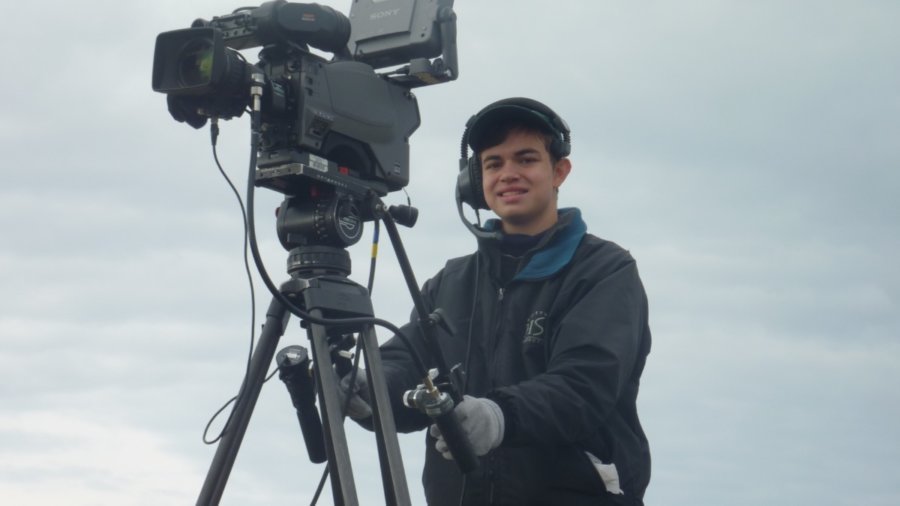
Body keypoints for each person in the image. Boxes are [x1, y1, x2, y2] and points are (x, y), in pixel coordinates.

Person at [344, 97, 652, 505]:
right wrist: (368, 388)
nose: (509, 174)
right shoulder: (450, 281)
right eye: (493, 163)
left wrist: (499, 415)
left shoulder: (605, 270)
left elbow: (584, 385)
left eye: (526, 159)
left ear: (559, 170)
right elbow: (410, 367)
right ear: (475, 180)